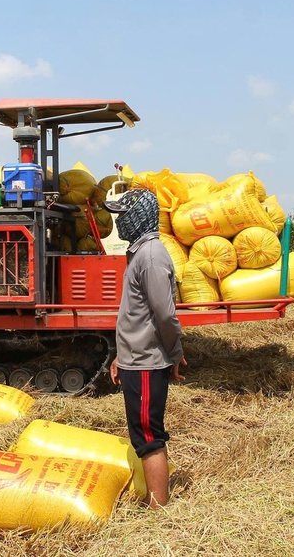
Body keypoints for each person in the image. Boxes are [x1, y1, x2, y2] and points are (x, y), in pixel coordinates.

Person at [106, 188, 187, 508]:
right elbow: (134, 315)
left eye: (123, 215)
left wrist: (175, 352)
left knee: (148, 437)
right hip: (134, 359)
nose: (119, 222)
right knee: (143, 433)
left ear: (140, 216)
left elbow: (164, 315)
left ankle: (158, 510)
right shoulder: (140, 253)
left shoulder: (151, 257)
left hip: (145, 363)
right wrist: (119, 356)